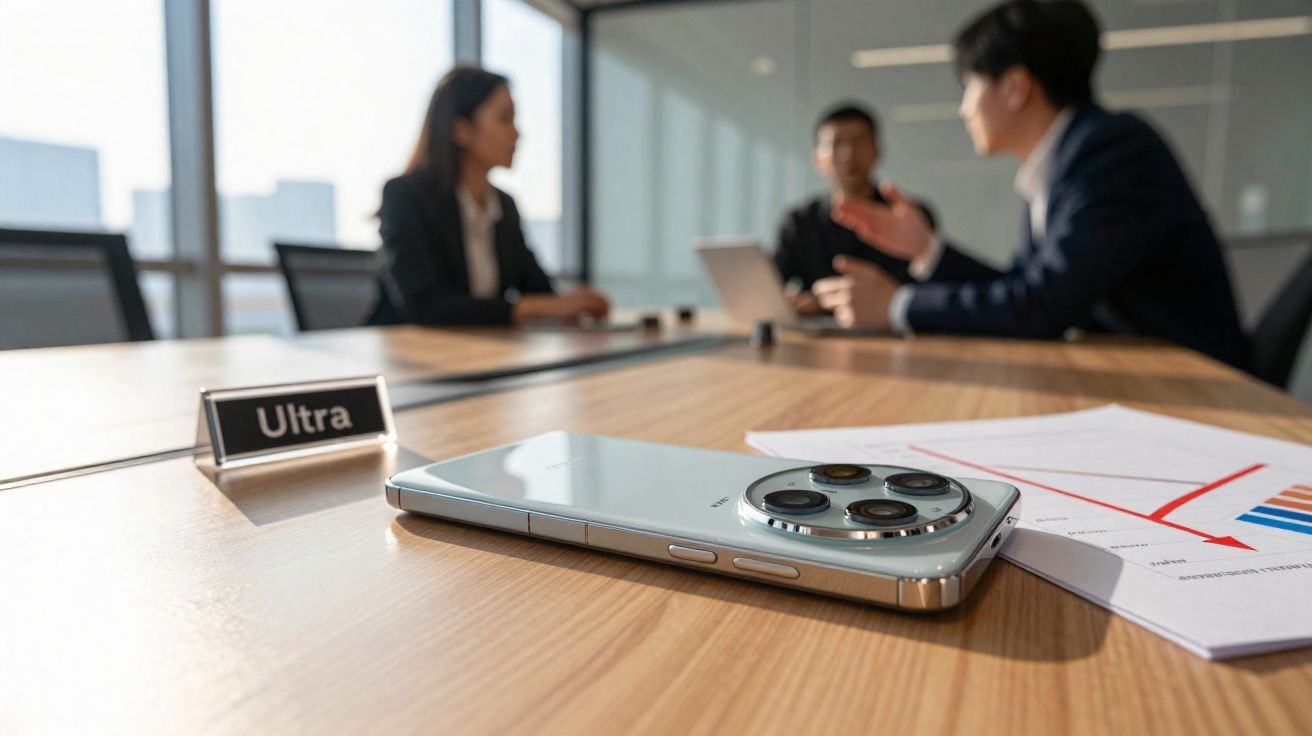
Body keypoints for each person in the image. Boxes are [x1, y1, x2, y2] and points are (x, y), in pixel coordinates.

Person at [812, 0, 1252, 370]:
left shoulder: (1113, 152)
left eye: (969, 86)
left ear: (1015, 87)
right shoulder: (1065, 162)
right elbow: (1027, 288)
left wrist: (897, 306)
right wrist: (926, 249)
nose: (964, 109)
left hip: (1201, 386)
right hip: (1144, 376)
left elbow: (1042, 306)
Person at [369, 67, 609, 326]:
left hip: (477, 344)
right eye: (505, 119)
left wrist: (572, 302)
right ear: (461, 129)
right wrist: (531, 308)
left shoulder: (504, 206)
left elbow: (538, 290)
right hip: (402, 346)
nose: (517, 133)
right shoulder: (406, 196)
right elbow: (426, 307)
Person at [774, 103, 936, 315]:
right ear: (817, 159)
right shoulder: (798, 222)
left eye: (860, 142)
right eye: (836, 144)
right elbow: (772, 286)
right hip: (814, 332)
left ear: (877, 151)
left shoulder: (908, 216)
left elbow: (926, 292)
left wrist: (823, 303)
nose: (848, 153)